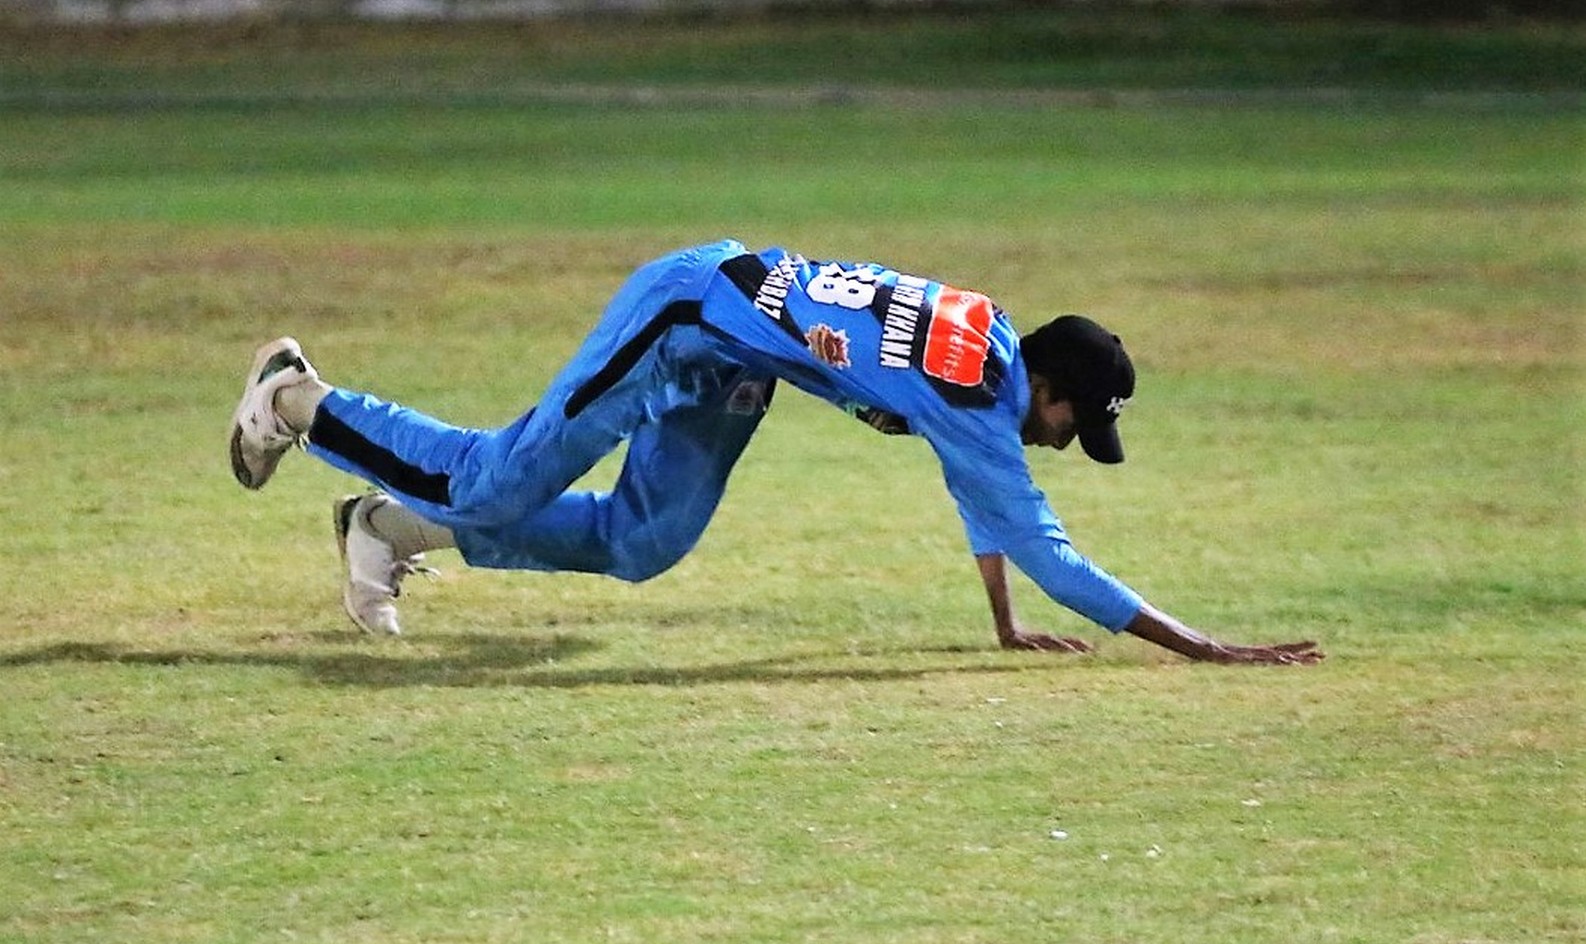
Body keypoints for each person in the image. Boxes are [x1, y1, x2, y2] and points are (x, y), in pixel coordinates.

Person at [229, 238, 1321, 666]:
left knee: (645, 539)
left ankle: (387, 527)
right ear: (1049, 391)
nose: (1071, 441)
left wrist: (1002, 625)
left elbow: (986, 498)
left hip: (731, 349)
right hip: (684, 315)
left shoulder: (987, 345)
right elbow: (1043, 545)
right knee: (493, 481)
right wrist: (1203, 648)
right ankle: (298, 399)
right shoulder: (973, 395)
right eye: (1079, 423)